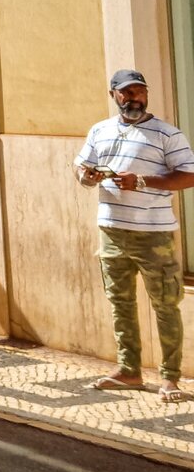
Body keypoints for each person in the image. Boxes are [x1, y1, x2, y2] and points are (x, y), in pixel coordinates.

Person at [76, 69, 194, 402]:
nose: (134, 98)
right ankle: (129, 370)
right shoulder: (100, 131)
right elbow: (82, 170)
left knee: (165, 304)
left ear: (147, 94)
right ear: (114, 95)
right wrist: (89, 176)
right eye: (126, 93)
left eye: (139, 91)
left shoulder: (166, 134)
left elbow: (189, 176)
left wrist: (141, 181)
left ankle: (171, 378)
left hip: (154, 234)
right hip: (111, 229)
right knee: (120, 302)